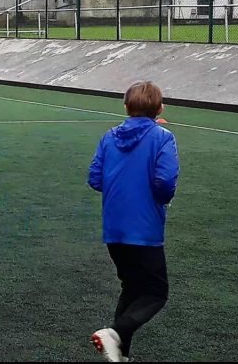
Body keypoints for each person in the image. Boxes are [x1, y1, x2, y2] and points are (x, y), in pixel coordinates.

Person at [88, 81, 179, 363]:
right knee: (156, 292)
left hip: (114, 227)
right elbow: (165, 182)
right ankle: (116, 334)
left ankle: (120, 354)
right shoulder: (163, 137)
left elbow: (95, 178)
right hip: (145, 228)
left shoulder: (109, 136)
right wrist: (159, 199)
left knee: (132, 287)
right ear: (160, 108)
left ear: (126, 107)